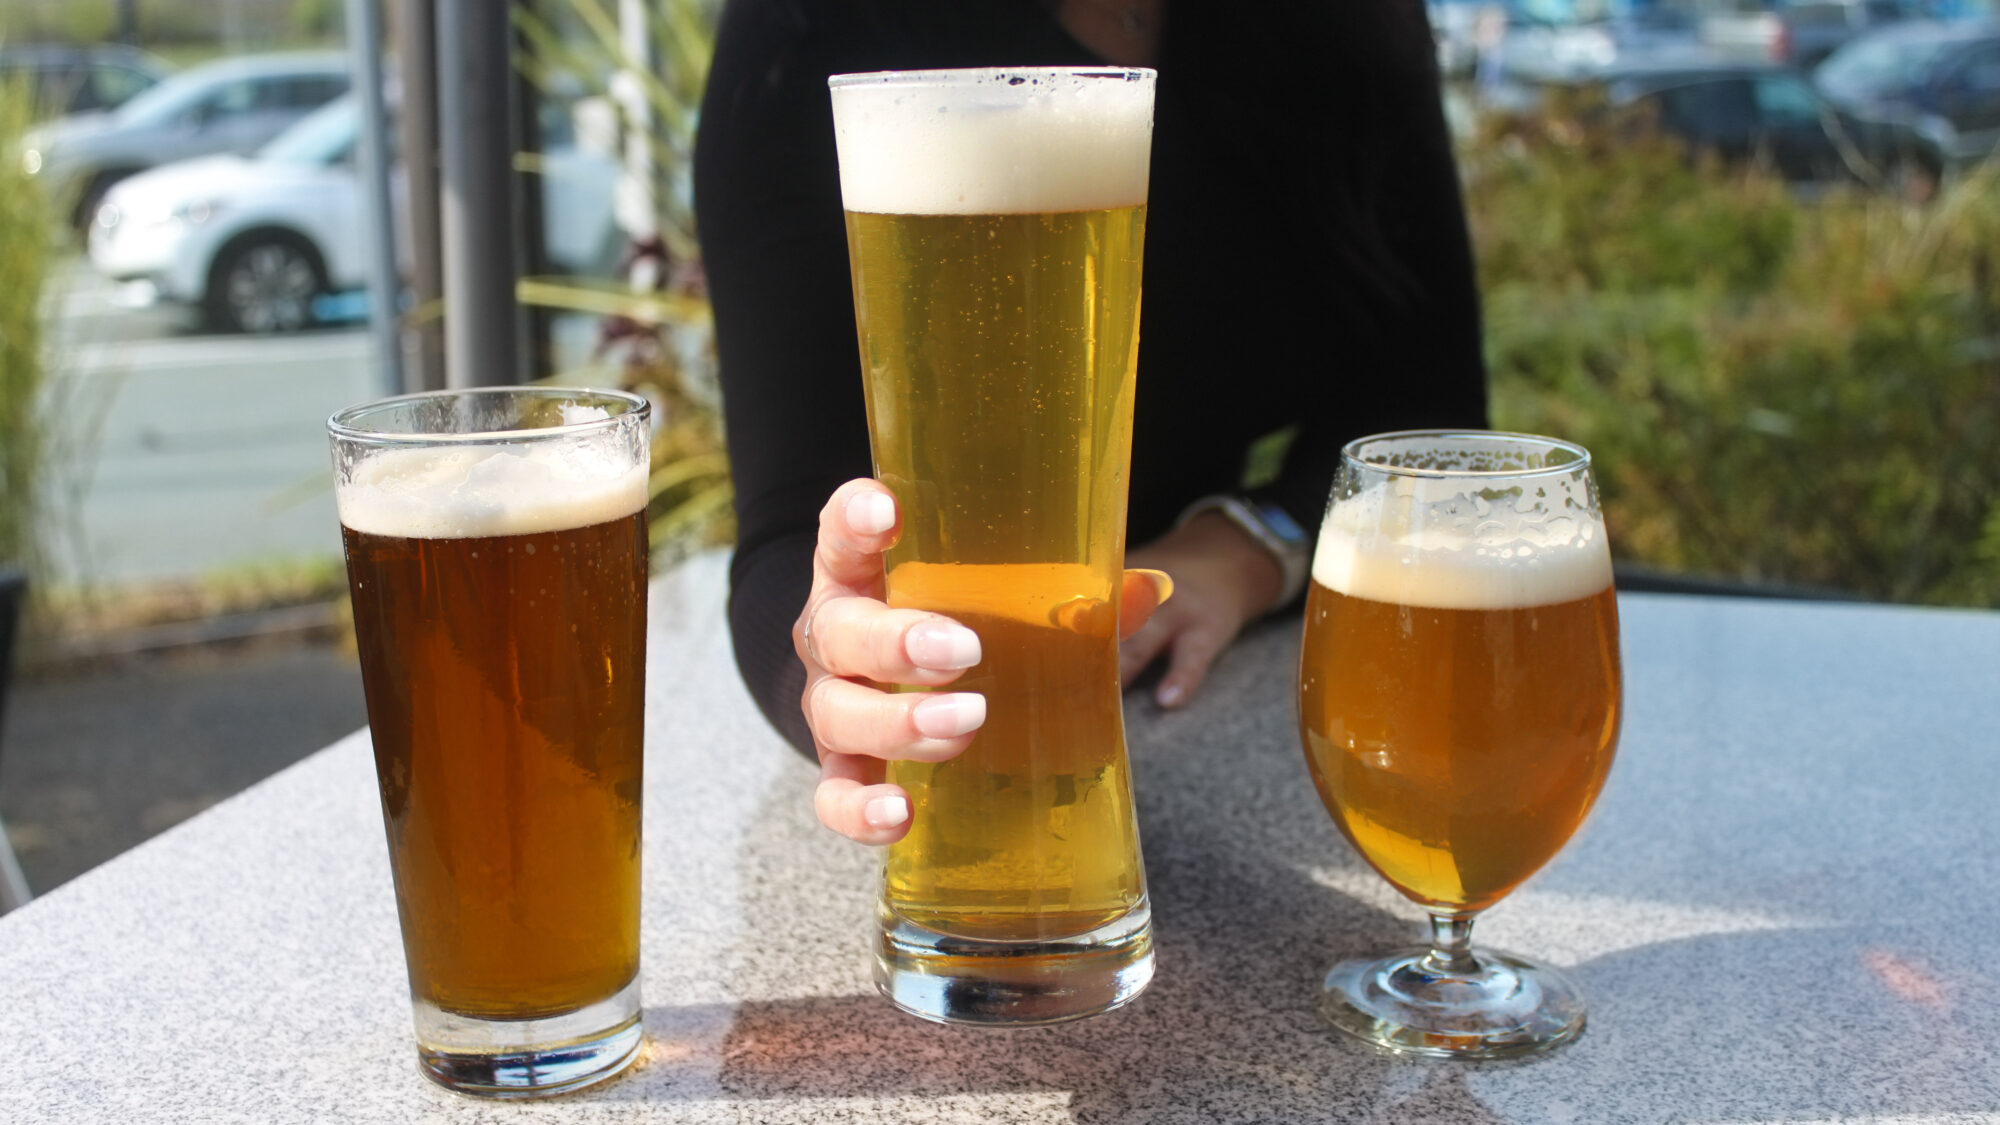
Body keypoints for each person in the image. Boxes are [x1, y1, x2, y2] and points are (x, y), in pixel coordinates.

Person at [694, 0, 1490, 844]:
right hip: (954, 715)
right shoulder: (809, 26)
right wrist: (832, 674)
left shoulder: (1346, 27)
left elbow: (1427, 421)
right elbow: (789, 527)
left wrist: (1250, 545)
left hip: (1210, 699)